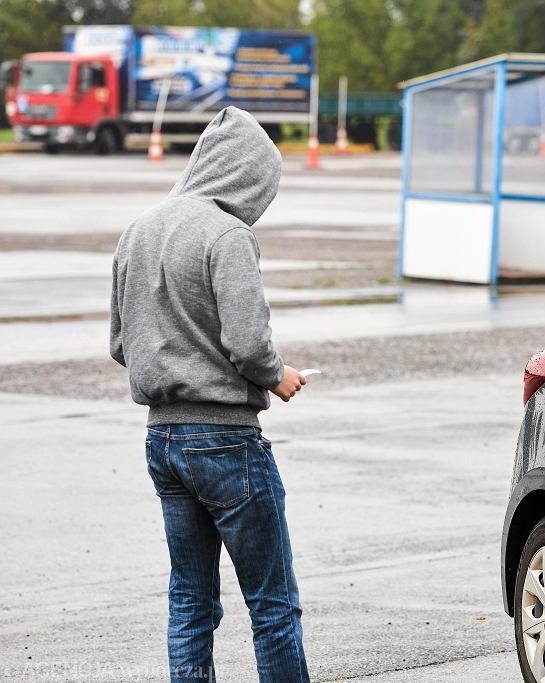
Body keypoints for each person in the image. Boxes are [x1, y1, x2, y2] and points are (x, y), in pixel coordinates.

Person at [109, 106, 310, 683]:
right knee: (272, 606)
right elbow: (248, 345)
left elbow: (122, 344)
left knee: (190, 600)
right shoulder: (228, 235)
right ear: (245, 177)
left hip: (162, 440)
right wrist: (277, 375)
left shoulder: (137, 231)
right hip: (226, 442)